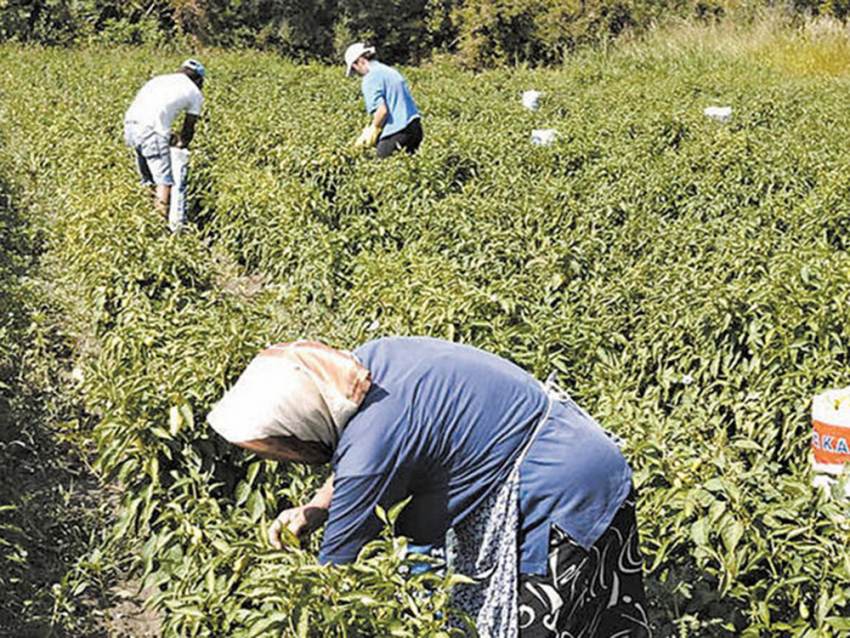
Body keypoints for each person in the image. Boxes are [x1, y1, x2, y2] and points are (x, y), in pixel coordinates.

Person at [207, 337, 651, 637]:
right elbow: (371, 445)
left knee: (544, 619)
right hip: (577, 451)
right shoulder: (361, 370)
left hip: (557, 490)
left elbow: (333, 575)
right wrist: (313, 509)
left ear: (303, 421)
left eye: (285, 447)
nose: (290, 457)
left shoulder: (370, 449)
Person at [123, 59, 205, 217]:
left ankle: (145, 217)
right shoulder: (194, 92)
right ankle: (159, 226)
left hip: (131, 126)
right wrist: (181, 143)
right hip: (152, 130)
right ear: (199, 79)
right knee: (164, 181)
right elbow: (188, 130)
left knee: (148, 179)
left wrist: (168, 137)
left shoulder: (159, 80)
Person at [344, 43, 423, 158]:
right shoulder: (389, 71)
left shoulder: (370, 77)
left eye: (354, 69)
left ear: (360, 60)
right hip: (415, 128)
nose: (357, 73)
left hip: (397, 131)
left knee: (379, 167)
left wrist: (373, 130)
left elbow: (382, 111)